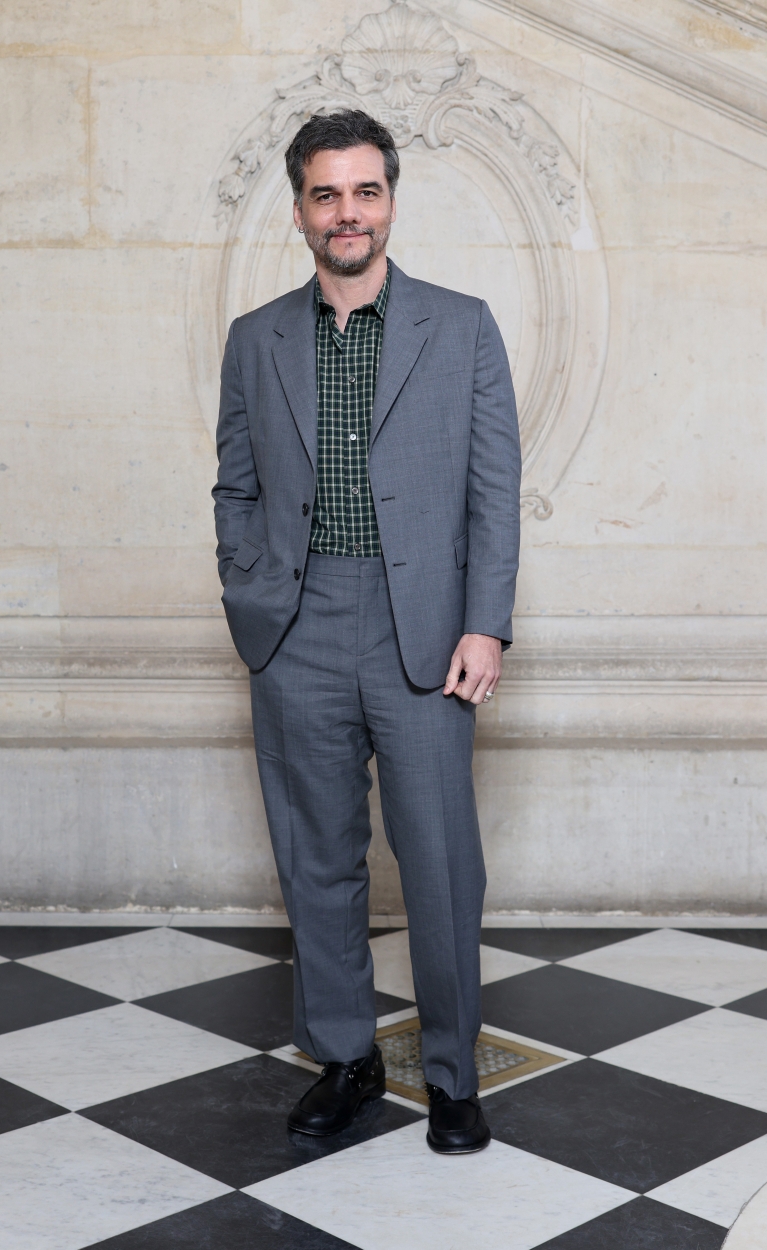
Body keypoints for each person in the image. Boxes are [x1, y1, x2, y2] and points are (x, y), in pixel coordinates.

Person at [212, 109, 521, 1153]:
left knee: (437, 861)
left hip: (426, 631)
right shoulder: (255, 339)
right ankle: (345, 1056)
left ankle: (449, 1076)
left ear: (390, 199)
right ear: (299, 207)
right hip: (296, 629)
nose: (348, 212)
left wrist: (485, 626)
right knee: (317, 858)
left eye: (366, 190)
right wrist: (249, 588)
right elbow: (236, 485)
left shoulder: (461, 324)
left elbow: (494, 494)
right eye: (326, 193)